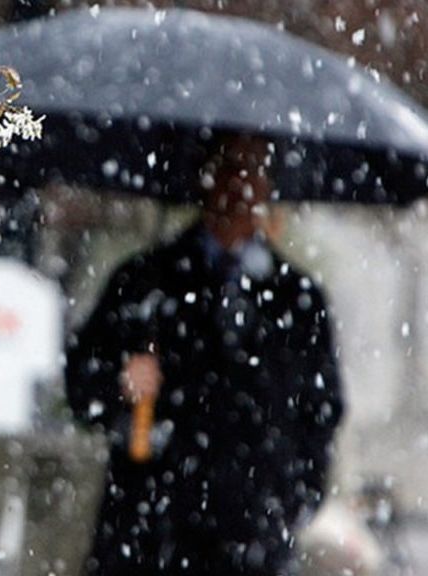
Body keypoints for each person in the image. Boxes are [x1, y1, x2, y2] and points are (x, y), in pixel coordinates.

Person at [65, 135, 344, 576]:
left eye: (253, 169)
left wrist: (291, 500)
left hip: (254, 537)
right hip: (147, 532)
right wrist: (119, 381)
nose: (239, 184)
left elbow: (321, 411)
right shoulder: (143, 282)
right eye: (229, 167)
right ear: (204, 178)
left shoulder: (298, 300)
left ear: (269, 185)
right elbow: (81, 386)